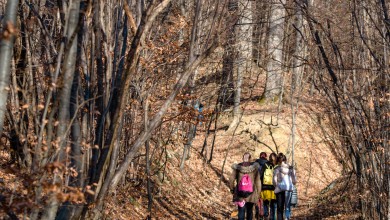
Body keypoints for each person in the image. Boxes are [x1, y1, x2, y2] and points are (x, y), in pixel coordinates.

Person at [230, 152, 262, 220]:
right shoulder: (254, 169)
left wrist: (232, 189)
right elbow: (258, 181)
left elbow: (231, 179)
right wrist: (258, 193)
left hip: (240, 194)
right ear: (250, 159)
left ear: (243, 158)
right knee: (250, 211)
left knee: (241, 211)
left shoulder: (238, 167)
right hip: (251, 194)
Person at [273, 153, 297, 220]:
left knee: (280, 208)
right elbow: (294, 181)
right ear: (285, 160)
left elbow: (274, 181)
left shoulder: (277, 169)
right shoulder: (291, 169)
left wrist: (276, 186)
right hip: (288, 189)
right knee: (287, 206)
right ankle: (287, 218)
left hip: (280, 189)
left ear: (278, 160)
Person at [258, 153, 277, 220]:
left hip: (265, 188)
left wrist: (260, 187)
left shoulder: (264, 165)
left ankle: (266, 216)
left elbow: (260, 176)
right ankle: (273, 218)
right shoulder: (277, 166)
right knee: (273, 205)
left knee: (266, 203)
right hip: (274, 188)